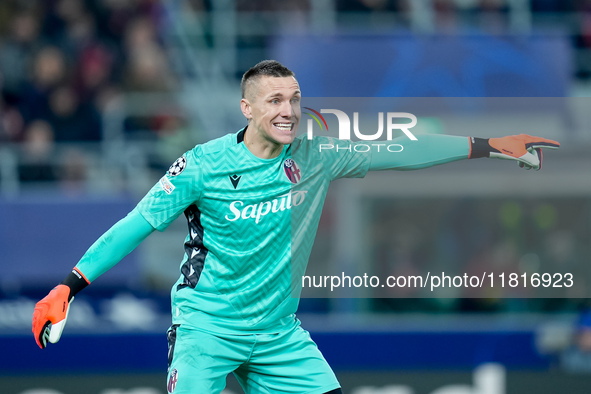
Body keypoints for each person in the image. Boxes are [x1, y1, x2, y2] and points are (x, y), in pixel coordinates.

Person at [32, 60, 560, 394]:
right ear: (247, 108)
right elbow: (135, 224)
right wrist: (69, 286)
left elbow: (401, 149)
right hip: (207, 326)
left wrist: (490, 145)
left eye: (295, 99)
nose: (290, 110)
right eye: (276, 101)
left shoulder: (317, 155)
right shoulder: (202, 165)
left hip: (277, 333)